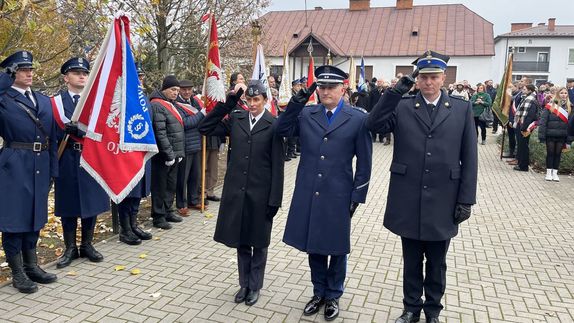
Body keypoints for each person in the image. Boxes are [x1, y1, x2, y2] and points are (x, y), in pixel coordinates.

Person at [366, 50, 478, 323]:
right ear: (417, 80)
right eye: (424, 77)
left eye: (434, 77)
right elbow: (373, 124)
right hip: (409, 196)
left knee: (437, 263)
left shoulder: (461, 109)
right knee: (412, 260)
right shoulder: (403, 105)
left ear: (443, 78)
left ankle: (433, 311)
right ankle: (411, 308)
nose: (428, 82)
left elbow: (470, 157)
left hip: (444, 198)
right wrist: (393, 93)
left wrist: (466, 199)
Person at [276, 65, 372, 321]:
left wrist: (357, 196)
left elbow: (365, 163)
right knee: (315, 245)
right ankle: (318, 292)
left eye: (331, 87)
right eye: (322, 87)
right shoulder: (307, 114)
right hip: (310, 190)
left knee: (337, 248)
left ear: (343, 89)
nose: (326, 91)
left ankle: (333, 295)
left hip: (339, 193)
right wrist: (295, 104)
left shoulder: (358, 118)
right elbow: (282, 131)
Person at [199, 80, 284, 306]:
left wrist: (275, 199)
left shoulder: (273, 124)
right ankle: (244, 284)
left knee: (259, 242)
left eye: (257, 100)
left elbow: (278, 165)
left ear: (266, 100)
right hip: (237, 192)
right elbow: (205, 127)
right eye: (249, 100)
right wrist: (228, 105)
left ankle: (255, 286)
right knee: (242, 240)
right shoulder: (236, 119)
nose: (253, 104)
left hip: (261, 194)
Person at [0, 51, 59, 293]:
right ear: (12, 72)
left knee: (35, 216)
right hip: (14, 163)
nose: (29, 73)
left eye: (31, 68)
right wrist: (5, 76)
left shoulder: (44, 100)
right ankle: (17, 272)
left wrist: (53, 169)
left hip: (41, 163)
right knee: (14, 219)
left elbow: (53, 137)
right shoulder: (3, 98)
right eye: (22, 69)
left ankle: (32, 266)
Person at [52, 57, 110, 268]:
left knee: (90, 202)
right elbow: (48, 131)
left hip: (89, 157)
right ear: (66, 77)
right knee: (67, 204)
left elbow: (104, 131)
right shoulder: (55, 103)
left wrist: (82, 131)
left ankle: (87, 244)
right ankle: (70, 248)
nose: (82, 76)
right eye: (76, 73)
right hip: (66, 157)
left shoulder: (95, 102)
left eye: (85, 73)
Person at [149, 75, 185, 229]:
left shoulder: (170, 104)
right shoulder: (157, 105)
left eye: (177, 90)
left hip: (174, 153)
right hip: (163, 155)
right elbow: (160, 132)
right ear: (164, 89)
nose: (176, 92)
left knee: (170, 184)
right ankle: (158, 216)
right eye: (173, 89)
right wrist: (169, 154)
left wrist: (178, 153)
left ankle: (168, 210)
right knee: (160, 186)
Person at [175, 80, 206, 215]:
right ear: (180, 90)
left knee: (195, 175)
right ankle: (181, 204)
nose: (187, 92)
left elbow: (200, 120)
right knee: (183, 177)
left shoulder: (195, 102)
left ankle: (193, 200)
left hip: (197, 143)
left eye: (189, 89)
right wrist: (201, 114)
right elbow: (185, 123)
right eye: (184, 89)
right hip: (185, 145)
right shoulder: (176, 104)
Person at [540, 87, 573, 181]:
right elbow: (543, 121)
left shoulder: (570, 107)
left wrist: (569, 139)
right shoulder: (550, 106)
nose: (563, 95)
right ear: (558, 94)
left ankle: (555, 173)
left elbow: (571, 125)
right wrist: (542, 135)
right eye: (561, 93)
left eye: (565, 93)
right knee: (550, 153)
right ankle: (548, 173)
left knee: (558, 154)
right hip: (550, 134)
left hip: (562, 135)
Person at [513, 84, 539, 172]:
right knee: (521, 146)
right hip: (522, 124)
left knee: (523, 146)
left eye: (524, 89)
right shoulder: (527, 98)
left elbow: (529, 116)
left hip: (525, 126)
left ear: (530, 91)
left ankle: (523, 166)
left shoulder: (530, 100)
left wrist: (523, 128)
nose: (522, 90)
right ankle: (520, 164)